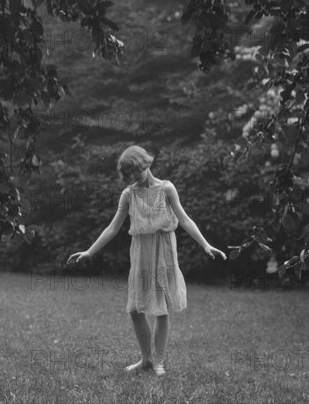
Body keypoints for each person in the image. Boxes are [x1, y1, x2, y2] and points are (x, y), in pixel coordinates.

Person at [66, 145, 226, 376]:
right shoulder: (128, 194)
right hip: (141, 253)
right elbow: (113, 228)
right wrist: (90, 252)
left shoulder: (167, 188)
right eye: (129, 174)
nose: (134, 177)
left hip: (164, 250)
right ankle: (146, 360)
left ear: (146, 164)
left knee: (161, 310)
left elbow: (185, 219)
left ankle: (158, 362)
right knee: (135, 309)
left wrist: (205, 244)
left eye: (136, 171)